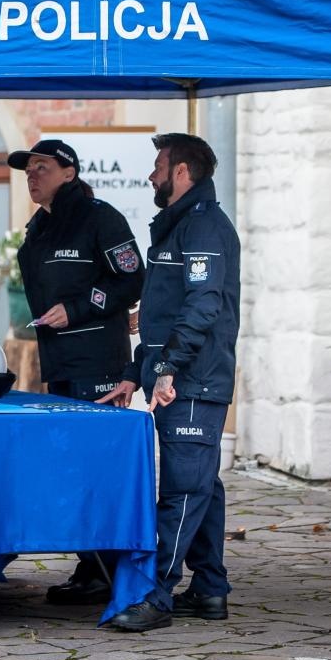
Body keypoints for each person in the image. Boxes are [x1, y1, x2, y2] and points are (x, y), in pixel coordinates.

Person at [99, 132, 240, 633]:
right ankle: (210, 588)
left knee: (182, 490)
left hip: (193, 383)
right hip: (179, 378)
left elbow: (204, 305)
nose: (152, 175)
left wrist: (167, 370)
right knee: (203, 485)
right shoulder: (180, 227)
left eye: (160, 165)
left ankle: (154, 594)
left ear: (183, 173)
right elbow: (167, 315)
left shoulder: (204, 229)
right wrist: (137, 374)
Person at [9, 138, 144, 605]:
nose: (32, 176)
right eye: (28, 170)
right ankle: (91, 565)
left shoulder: (99, 216)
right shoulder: (39, 227)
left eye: (42, 168)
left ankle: (108, 569)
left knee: (97, 465)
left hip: (99, 363)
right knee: (71, 465)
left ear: (69, 172)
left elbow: (132, 277)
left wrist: (82, 307)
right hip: (60, 365)